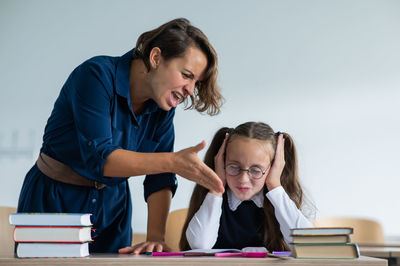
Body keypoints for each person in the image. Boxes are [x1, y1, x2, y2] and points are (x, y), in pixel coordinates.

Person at [17, 18, 224, 254]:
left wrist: (155, 237)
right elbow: (100, 158)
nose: (190, 89)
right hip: (54, 201)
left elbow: (160, 178)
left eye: (196, 82)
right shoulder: (95, 76)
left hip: (114, 209)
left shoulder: (163, 107)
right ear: (156, 58)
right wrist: (173, 161)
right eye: (187, 75)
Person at [180, 122, 314, 251]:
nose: (243, 179)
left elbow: (307, 245)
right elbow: (199, 245)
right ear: (222, 162)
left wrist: (275, 186)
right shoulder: (212, 198)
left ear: (273, 167)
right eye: (234, 167)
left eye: (256, 170)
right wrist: (216, 187)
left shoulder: (280, 200)